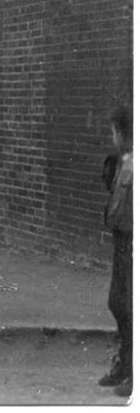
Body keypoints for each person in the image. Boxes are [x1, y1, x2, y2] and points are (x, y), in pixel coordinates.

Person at [100, 105, 132, 398]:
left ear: (122, 132)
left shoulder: (134, 164)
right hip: (121, 243)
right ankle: (125, 365)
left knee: (130, 307)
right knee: (118, 304)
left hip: (132, 245)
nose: (113, 137)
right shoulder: (124, 162)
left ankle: (134, 375)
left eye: (113, 131)